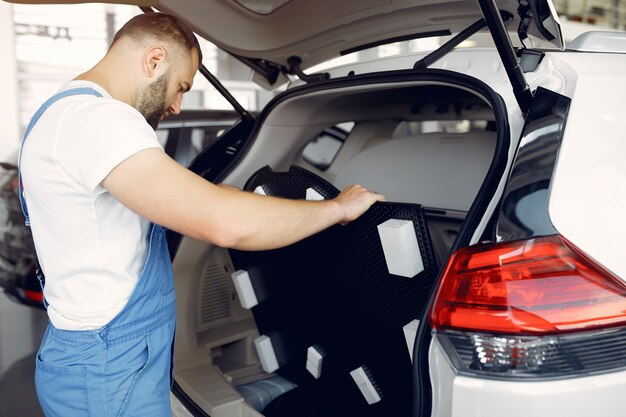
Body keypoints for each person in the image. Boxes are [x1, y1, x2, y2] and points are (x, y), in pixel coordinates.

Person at [18, 12, 384, 417]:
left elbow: (179, 197)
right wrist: (338, 208)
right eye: (181, 87)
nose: (176, 105)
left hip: (93, 356)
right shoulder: (102, 120)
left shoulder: (63, 113)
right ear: (154, 60)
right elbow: (225, 224)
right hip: (109, 366)